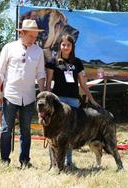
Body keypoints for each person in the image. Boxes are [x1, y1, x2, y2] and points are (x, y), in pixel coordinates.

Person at [0, 19, 45, 167]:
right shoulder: (8, 48)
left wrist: (42, 95)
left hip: (29, 97)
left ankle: (25, 160)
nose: (33, 40)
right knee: (6, 129)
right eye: (31, 36)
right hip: (10, 95)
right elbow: (0, 72)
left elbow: (41, 74)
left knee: (26, 131)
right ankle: (4, 160)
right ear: (22, 33)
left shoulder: (38, 51)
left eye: (35, 37)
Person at [46, 34, 100, 168]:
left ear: (72, 47)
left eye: (68, 45)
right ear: (60, 46)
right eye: (63, 45)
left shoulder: (77, 62)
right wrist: (48, 100)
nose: (65, 47)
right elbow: (48, 83)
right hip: (57, 102)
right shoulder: (53, 61)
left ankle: (68, 162)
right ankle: (53, 163)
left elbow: (83, 84)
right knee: (53, 131)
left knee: (69, 132)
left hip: (73, 102)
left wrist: (92, 100)